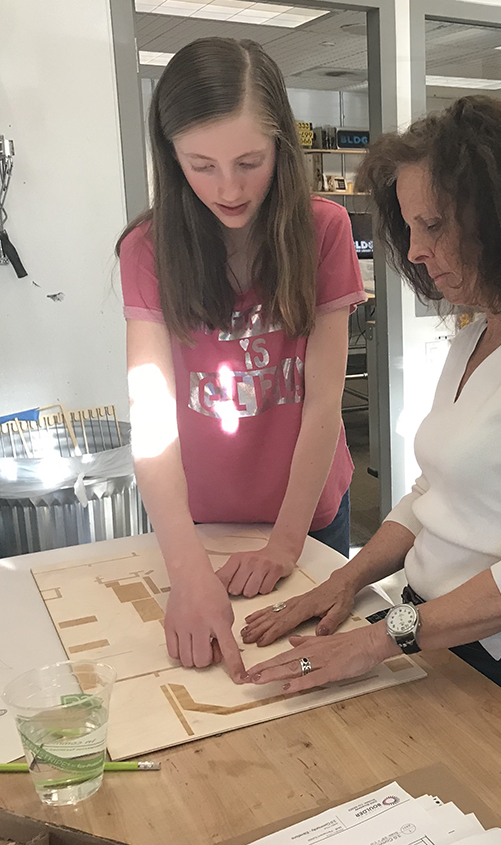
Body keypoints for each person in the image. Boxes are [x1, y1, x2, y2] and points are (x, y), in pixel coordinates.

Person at [241, 95, 501, 737]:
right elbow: (431, 495)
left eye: (436, 224)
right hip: (426, 624)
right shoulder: (477, 334)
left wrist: (379, 640)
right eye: (410, 228)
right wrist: (346, 580)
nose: (417, 251)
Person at [117, 38, 366, 683]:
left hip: (306, 509)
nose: (228, 189)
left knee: (309, 685)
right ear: (171, 160)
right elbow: (152, 417)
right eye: (201, 166)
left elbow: (322, 404)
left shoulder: (324, 229)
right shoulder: (147, 248)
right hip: (198, 515)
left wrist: (286, 543)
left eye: (250, 162)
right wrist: (186, 571)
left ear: (282, 147)